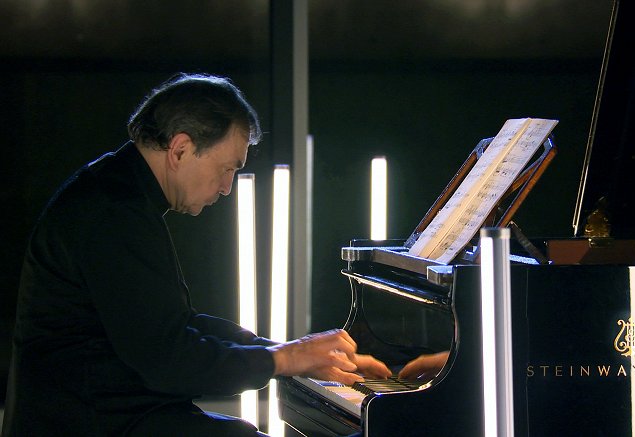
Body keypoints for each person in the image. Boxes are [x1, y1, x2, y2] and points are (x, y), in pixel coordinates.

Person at [2, 73, 391, 437]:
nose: (226, 188)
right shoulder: (113, 213)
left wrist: (290, 353)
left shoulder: (116, 195)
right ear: (182, 149)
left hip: (105, 411)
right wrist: (285, 359)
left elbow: (173, 327)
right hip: (86, 422)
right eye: (227, 168)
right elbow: (170, 361)